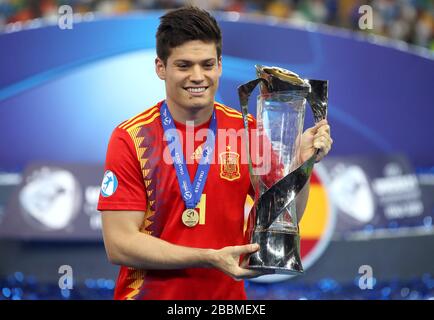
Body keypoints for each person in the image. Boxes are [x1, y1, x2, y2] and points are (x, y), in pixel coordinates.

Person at [97, 6, 333, 300]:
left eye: (207, 64)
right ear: (161, 67)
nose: (198, 76)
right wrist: (207, 257)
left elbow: (285, 218)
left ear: (220, 65)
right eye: (184, 65)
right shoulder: (132, 138)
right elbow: (119, 244)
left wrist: (300, 166)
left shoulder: (248, 132)